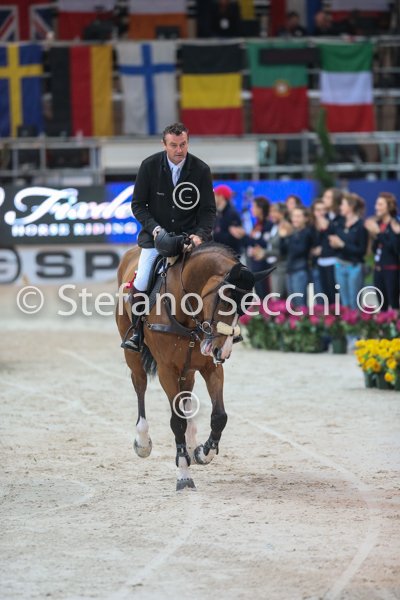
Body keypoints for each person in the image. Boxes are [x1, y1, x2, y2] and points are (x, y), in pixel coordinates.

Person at [121, 122, 216, 351]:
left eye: (183, 144)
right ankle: (137, 331)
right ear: (164, 144)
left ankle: (215, 332)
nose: (179, 150)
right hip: (156, 238)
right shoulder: (149, 166)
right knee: (142, 280)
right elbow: (138, 205)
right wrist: (155, 229)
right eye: (173, 145)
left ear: (188, 142)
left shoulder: (201, 170)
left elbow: (208, 210)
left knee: (214, 280)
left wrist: (199, 235)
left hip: (189, 239)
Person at [328, 193, 368, 310]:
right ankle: (346, 321)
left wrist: (342, 244)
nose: (340, 207)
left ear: (351, 206)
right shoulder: (339, 223)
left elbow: (361, 251)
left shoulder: (361, 226)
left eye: (343, 204)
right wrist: (334, 244)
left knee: (354, 302)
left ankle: (356, 321)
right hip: (339, 264)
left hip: (354, 266)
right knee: (344, 303)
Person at [229, 196, 272, 299]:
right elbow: (251, 243)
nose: (252, 209)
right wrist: (241, 236)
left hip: (263, 265)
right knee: (259, 293)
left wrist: (244, 235)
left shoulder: (268, 225)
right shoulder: (257, 224)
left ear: (260, 209)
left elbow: (263, 244)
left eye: (254, 207)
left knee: (265, 294)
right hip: (254, 264)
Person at [365, 192, 400, 310]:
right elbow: (375, 249)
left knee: (394, 304)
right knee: (381, 305)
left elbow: (395, 249)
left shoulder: (395, 223)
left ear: (389, 206)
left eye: (380, 204)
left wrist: (379, 233)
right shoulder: (379, 224)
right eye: (376, 204)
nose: (376, 207)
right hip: (378, 269)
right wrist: (374, 235)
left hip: (391, 270)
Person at [280, 206, 313, 308]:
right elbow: (283, 251)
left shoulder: (307, 232)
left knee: (300, 305)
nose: (295, 219)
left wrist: (288, 235)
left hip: (300, 271)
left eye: (298, 216)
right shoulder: (293, 232)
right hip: (290, 270)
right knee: (292, 305)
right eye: (293, 216)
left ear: (305, 218)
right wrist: (282, 238)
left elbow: (299, 250)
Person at [213, 184, 243, 255]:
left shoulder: (232, 214)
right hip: (222, 253)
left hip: (231, 255)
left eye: (215, 195)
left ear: (221, 197)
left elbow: (234, 238)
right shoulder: (219, 213)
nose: (213, 198)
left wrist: (214, 235)